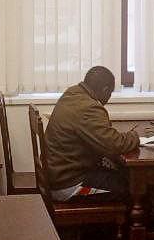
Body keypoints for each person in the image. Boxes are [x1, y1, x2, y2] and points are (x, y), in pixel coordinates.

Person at [45, 66, 139, 205]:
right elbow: (114, 145)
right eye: (110, 93)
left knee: (124, 175)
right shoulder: (88, 107)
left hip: (58, 176)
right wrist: (135, 136)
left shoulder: (73, 93)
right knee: (134, 187)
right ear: (105, 90)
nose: (109, 97)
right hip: (69, 185)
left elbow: (102, 136)